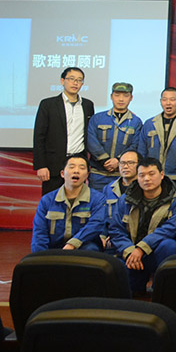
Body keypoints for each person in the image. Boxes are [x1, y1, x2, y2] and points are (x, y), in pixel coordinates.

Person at [109, 157, 176, 295]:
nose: (146, 179)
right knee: (128, 291)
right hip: (131, 253)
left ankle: (161, 291)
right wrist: (130, 251)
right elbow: (116, 229)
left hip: (155, 252)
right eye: (142, 175)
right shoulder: (125, 199)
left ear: (161, 175)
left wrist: (141, 248)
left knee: (169, 245)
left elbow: (170, 228)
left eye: (151, 174)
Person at [33, 66, 95, 194]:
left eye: (79, 80)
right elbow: (39, 136)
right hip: (53, 165)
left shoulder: (88, 105)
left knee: (78, 201)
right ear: (62, 81)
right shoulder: (48, 104)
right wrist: (41, 165)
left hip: (78, 164)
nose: (75, 83)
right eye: (71, 79)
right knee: (52, 202)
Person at [31, 154, 103, 252]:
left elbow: (95, 226)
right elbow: (39, 233)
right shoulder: (47, 200)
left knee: (91, 249)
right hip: (55, 247)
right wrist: (40, 257)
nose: (76, 171)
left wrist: (72, 244)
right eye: (71, 167)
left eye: (82, 168)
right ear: (62, 174)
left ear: (87, 175)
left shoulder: (98, 199)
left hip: (83, 246)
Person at [86, 82, 143, 193]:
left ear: (131, 98)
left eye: (125, 96)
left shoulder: (136, 122)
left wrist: (118, 161)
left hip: (123, 176)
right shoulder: (97, 118)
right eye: (117, 95)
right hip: (98, 174)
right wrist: (105, 160)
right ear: (111, 97)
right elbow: (91, 141)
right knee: (97, 201)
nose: (121, 99)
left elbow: (135, 145)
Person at [137, 87, 176, 183]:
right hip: (153, 177)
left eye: (172, 99)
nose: (168, 103)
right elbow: (142, 151)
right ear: (161, 101)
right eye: (164, 100)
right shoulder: (150, 123)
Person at [100, 149, 139, 247]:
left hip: (135, 237)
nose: (125, 166)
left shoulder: (144, 188)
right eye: (122, 163)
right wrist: (103, 236)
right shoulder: (108, 189)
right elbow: (102, 217)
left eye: (130, 163)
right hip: (111, 236)